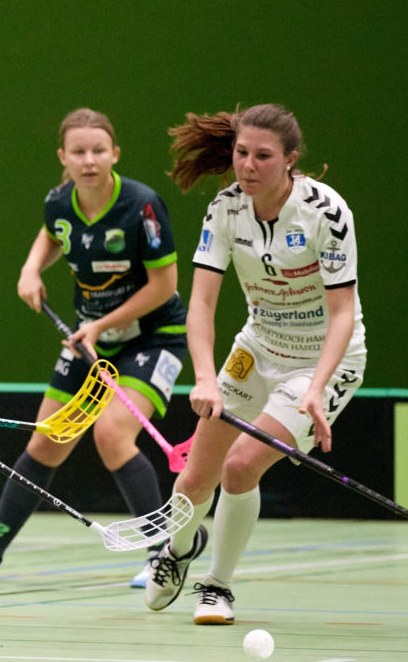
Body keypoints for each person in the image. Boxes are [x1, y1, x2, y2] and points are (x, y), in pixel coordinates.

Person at [0, 108, 188, 587]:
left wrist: (99, 326)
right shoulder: (59, 201)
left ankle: (163, 555)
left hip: (154, 338)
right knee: (47, 440)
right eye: (79, 152)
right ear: (64, 157)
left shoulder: (143, 205)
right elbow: (53, 234)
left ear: (115, 153)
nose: (89, 160)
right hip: (91, 339)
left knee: (112, 434)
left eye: (98, 150)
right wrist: (31, 270)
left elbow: (163, 285)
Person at [144, 103, 365, 625]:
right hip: (258, 348)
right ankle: (176, 552)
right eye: (242, 153)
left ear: (290, 160)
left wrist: (317, 388)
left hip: (323, 360)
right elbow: (199, 304)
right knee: (195, 481)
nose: (247, 166)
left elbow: (342, 313)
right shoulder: (226, 210)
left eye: (262, 156)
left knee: (241, 466)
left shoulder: (325, 214)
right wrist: (204, 378)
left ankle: (217, 586)